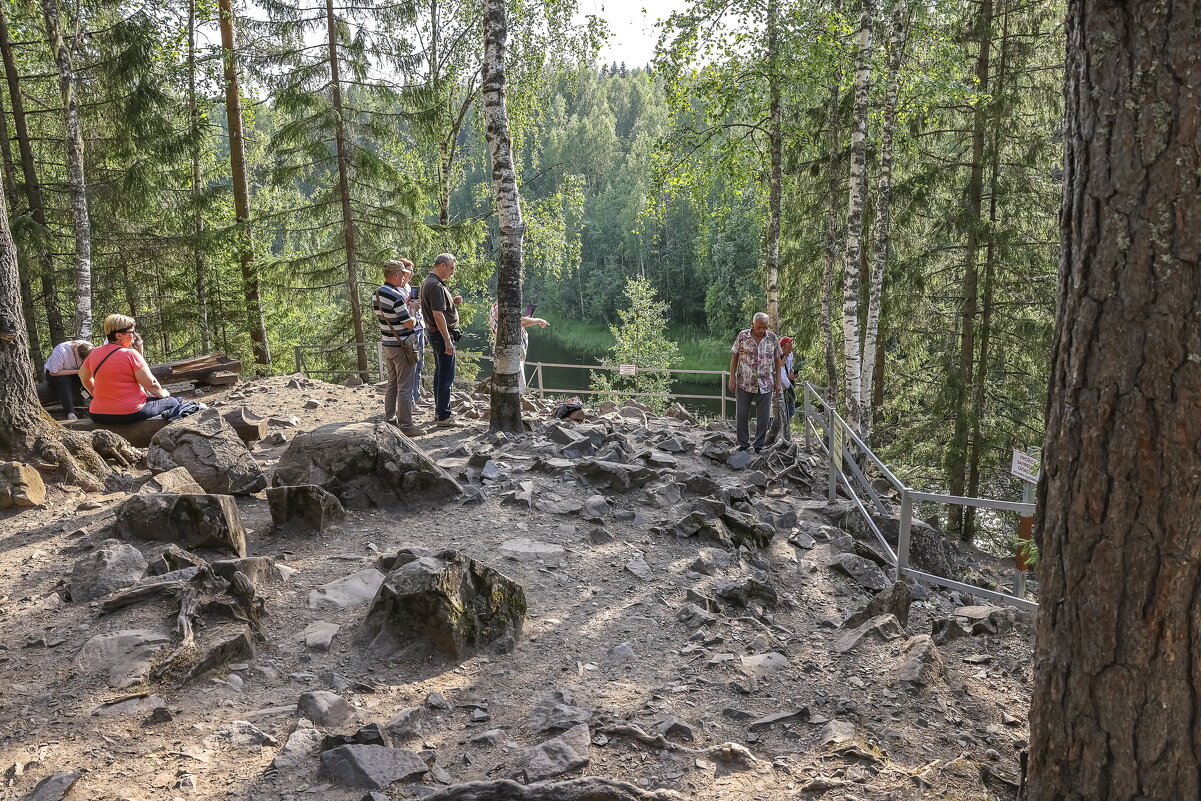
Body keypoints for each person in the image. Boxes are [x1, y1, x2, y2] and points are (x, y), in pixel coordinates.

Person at [79, 314, 182, 423]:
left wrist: (95, 394)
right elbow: (151, 383)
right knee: (174, 402)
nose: (135, 335)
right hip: (130, 412)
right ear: (119, 336)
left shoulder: (95, 352)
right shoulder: (130, 354)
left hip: (97, 414)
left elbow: (82, 374)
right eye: (132, 332)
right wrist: (163, 394)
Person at [372, 259, 422, 436]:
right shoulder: (395, 295)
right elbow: (409, 323)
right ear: (395, 275)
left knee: (392, 383)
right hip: (402, 346)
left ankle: (389, 418)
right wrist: (414, 310)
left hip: (388, 344)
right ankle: (407, 426)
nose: (404, 278)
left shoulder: (377, 293)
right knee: (405, 387)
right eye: (402, 274)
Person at [728, 312, 783, 453]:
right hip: (744, 382)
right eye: (759, 327)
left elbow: (777, 359)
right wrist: (732, 378)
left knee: (763, 417)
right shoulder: (742, 336)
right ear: (752, 324)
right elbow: (735, 356)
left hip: (765, 383)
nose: (762, 330)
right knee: (741, 414)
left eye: (764, 327)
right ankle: (744, 444)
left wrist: (778, 381)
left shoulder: (772, 338)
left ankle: (758, 446)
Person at [420, 253, 464, 427]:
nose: (453, 271)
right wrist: (447, 340)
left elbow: (437, 308)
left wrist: (451, 302)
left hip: (436, 334)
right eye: (451, 267)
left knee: (440, 374)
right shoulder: (436, 285)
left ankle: (440, 412)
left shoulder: (429, 282)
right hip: (441, 335)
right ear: (442, 265)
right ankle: (444, 416)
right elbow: (437, 315)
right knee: (446, 376)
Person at [488, 301, 549, 392]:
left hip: (515, 352)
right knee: (519, 385)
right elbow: (518, 321)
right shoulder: (501, 305)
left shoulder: (504, 305)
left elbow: (521, 323)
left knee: (516, 385)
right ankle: (509, 404)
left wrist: (532, 320)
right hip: (509, 350)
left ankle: (509, 403)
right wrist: (538, 320)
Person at [44, 339, 93, 420]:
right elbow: (53, 372)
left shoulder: (89, 347)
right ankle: (70, 412)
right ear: (76, 353)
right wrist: (78, 371)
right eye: (82, 360)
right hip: (57, 374)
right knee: (64, 381)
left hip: (76, 373)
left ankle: (98, 402)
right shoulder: (61, 350)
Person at [779, 336, 798, 423]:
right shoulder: (779, 358)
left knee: (790, 410)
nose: (791, 350)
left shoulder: (789, 355)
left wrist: (792, 372)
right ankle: (782, 428)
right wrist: (788, 378)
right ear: (782, 348)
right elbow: (780, 372)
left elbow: (788, 367)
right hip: (783, 388)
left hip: (788, 385)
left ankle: (783, 427)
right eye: (789, 348)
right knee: (787, 410)